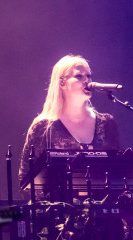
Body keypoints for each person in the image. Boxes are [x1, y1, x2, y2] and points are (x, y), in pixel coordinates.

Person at [18, 54, 120, 192]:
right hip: (60, 210)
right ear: (61, 83)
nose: (87, 80)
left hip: (102, 209)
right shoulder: (42, 128)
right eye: (79, 76)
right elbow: (26, 181)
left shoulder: (106, 123)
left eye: (89, 76)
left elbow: (118, 170)